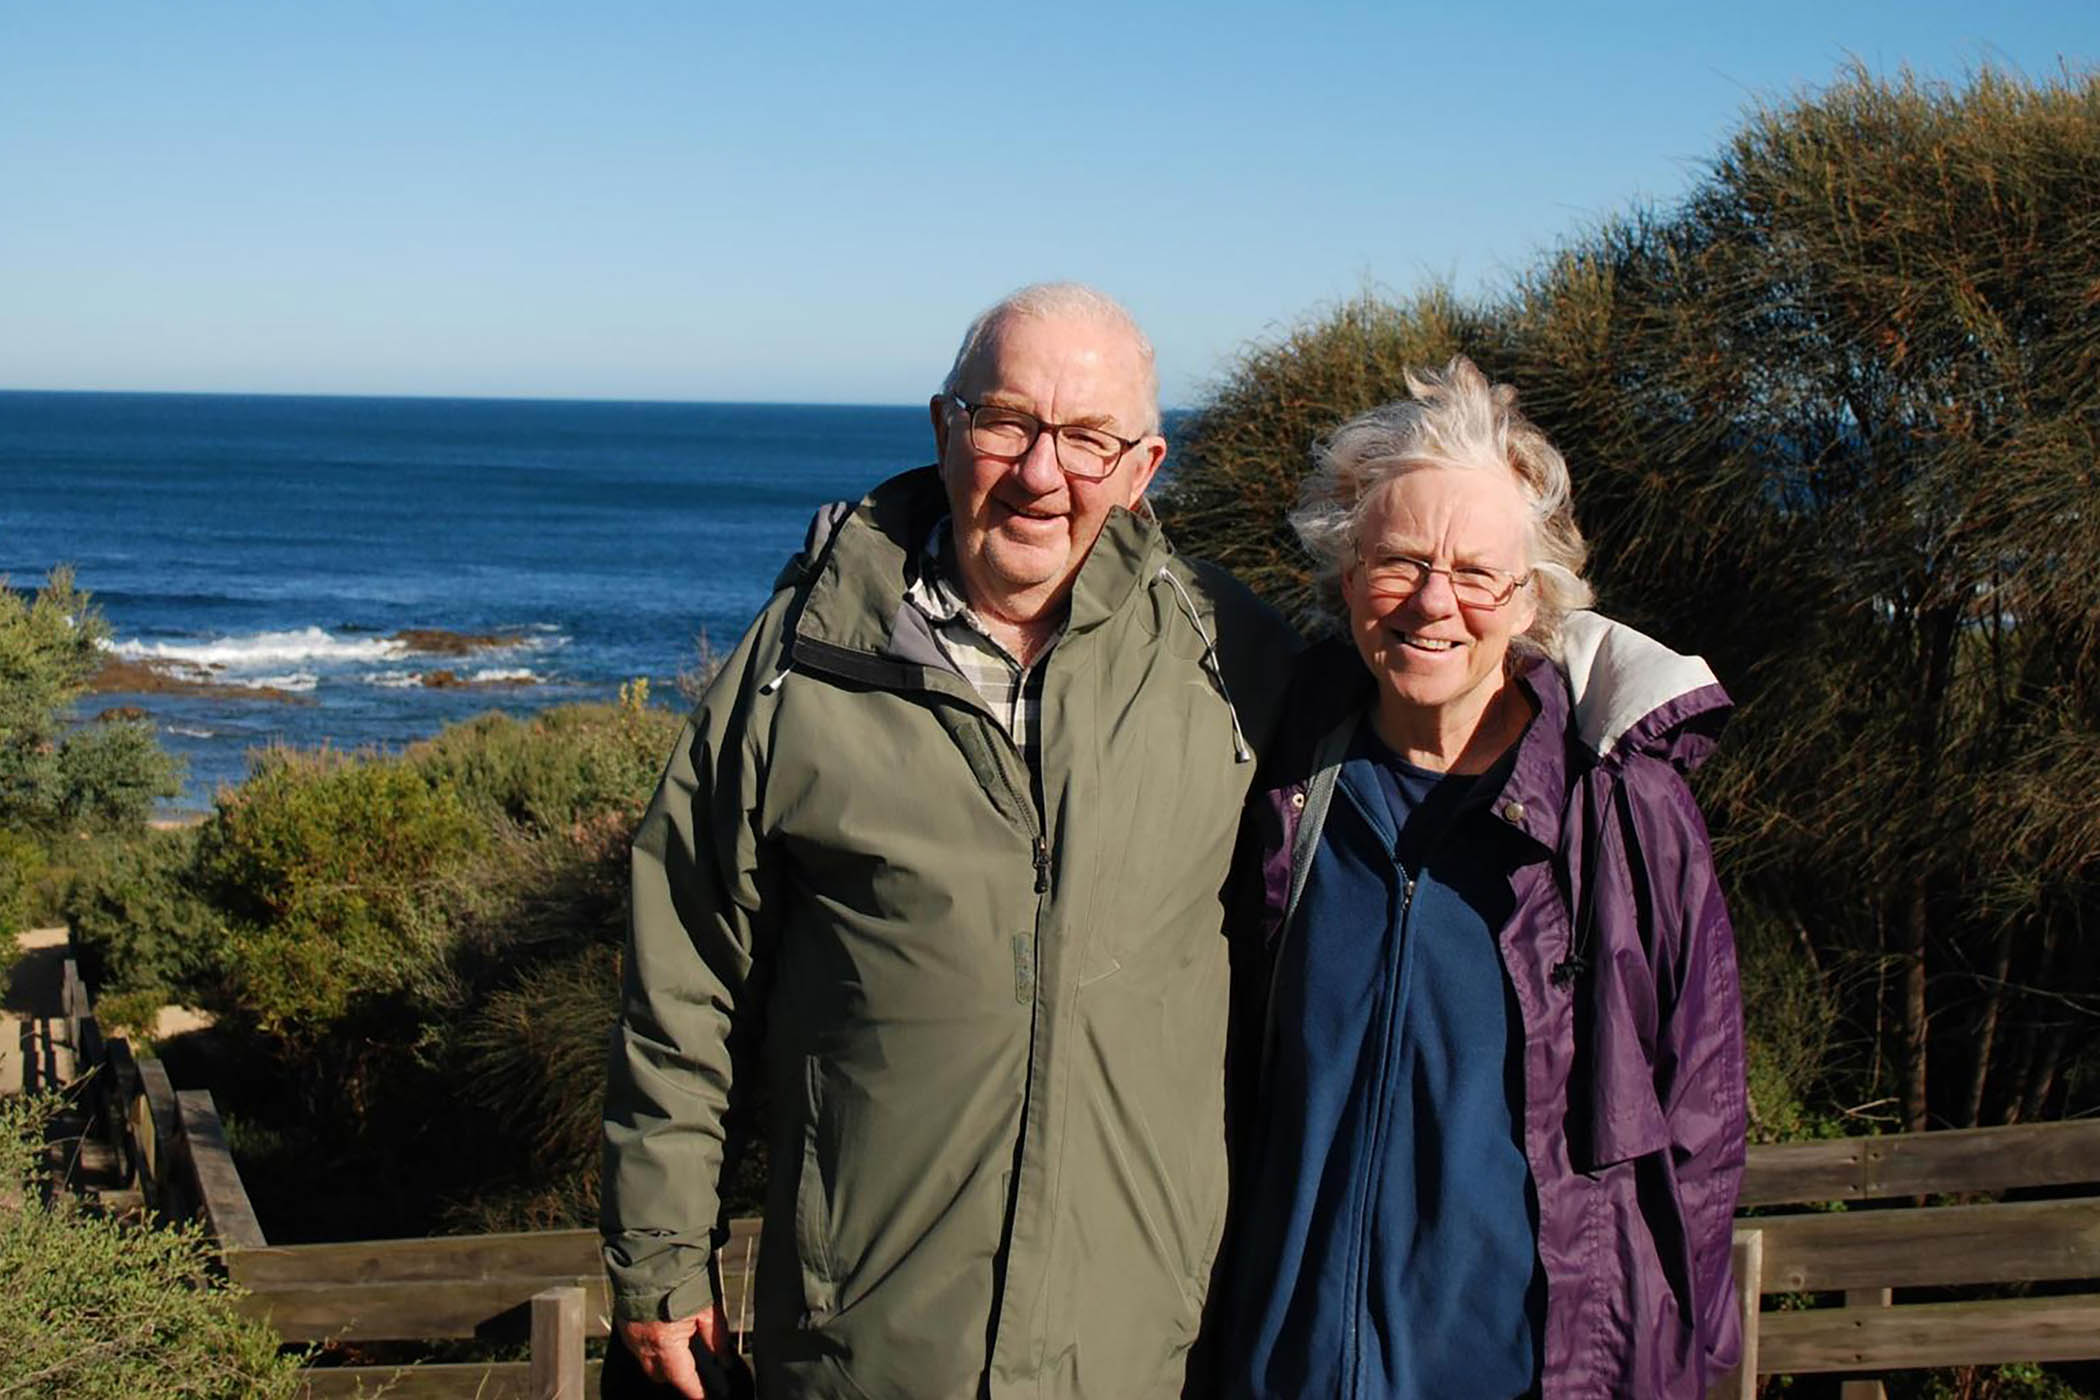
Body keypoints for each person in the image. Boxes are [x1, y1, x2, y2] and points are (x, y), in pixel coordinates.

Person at [601, 283, 1299, 1398]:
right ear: (944, 425)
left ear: (1143, 467)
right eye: (1007, 421)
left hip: (1133, 1351)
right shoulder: (805, 656)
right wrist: (661, 1252)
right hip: (861, 1348)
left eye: (1086, 439)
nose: (1039, 472)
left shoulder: (1234, 661)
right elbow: (687, 966)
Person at [1220, 358, 1746, 1397]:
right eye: (1398, 560)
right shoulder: (1279, 784)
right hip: (1286, 1369)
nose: (1432, 602)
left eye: (1476, 572)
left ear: (1533, 598)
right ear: (1343, 572)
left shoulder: (1622, 817)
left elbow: (1701, 1135)